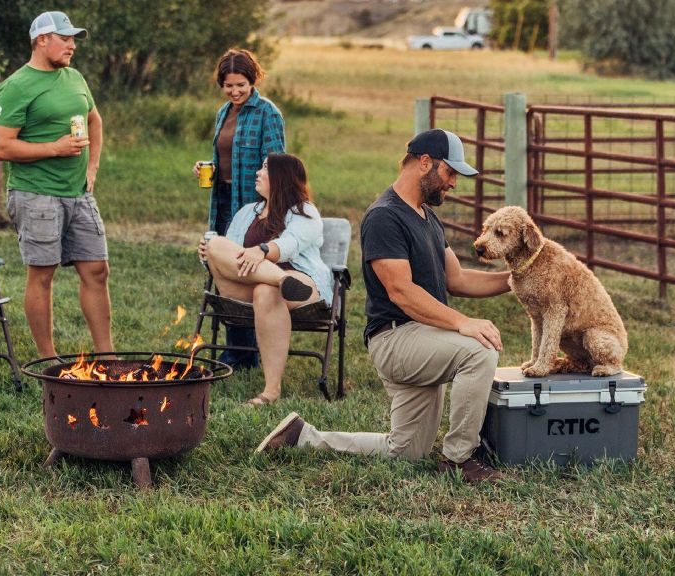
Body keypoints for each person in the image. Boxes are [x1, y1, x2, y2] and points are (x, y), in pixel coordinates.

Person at [255, 129, 513, 484]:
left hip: (425, 338)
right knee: (479, 350)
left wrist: (520, 278)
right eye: (450, 172)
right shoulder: (384, 217)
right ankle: (460, 459)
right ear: (425, 163)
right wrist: (462, 323)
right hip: (395, 340)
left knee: (406, 451)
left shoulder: (426, 216)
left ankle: (301, 437)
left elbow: (457, 279)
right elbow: (401, 291)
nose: (453, 183)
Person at [0, 11, 113, 359]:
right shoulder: (16, 87)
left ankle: (107, 357)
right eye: (65, 38)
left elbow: (94, 120)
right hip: (36, 195)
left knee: (97, 270)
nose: (72, 45)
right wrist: (54, 149)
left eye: (74, 39)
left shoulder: (74, 77)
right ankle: (48, 359)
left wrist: (92, 167)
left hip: (79, 193)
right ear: (42, 40)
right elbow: (2, 147)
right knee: (43, 276)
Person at [201, 153, 333, 405]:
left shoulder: (305, 212)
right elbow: (231, 255)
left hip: (301, 281)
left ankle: (271, 391)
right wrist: (209, 255)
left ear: (282, 177)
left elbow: (291, 244)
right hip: (244, 284)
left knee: (266, 290)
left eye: (265, 169)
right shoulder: (246, 213)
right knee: (215, 243)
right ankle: (280, 280)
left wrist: (261, 250)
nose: (258, 173)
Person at [193, 48, 285, 370]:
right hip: (222, 201)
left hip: (251, 207)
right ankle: (238, 347)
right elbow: (226, 156)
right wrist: (207, 167)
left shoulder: (267, 113)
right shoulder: (223, 113)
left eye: (241, 85)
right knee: (221, 267)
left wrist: (267, 211)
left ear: (253, 80)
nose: (234, 92)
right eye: (228, 86)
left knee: (244, 269)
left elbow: (277, 166)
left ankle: (246, 352)